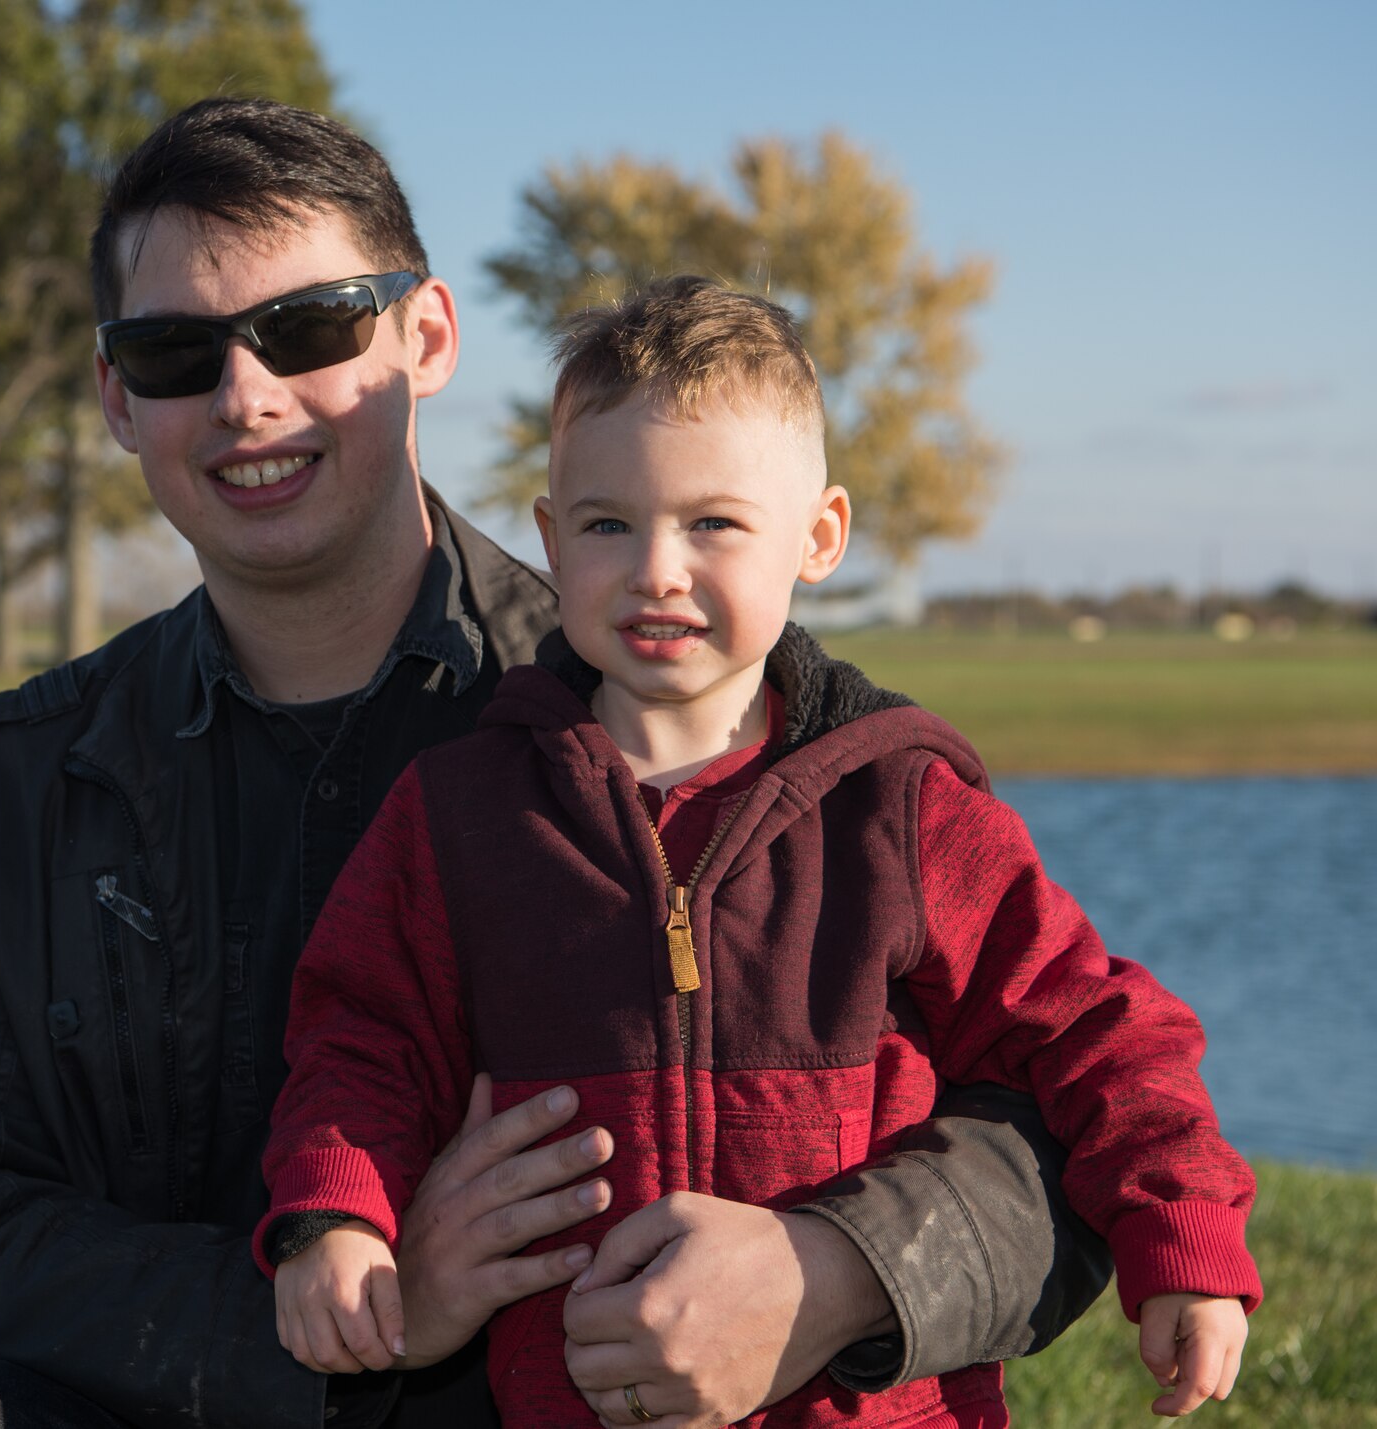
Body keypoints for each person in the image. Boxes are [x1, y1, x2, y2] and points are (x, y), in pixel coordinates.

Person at [0, 99, 1112, 1429]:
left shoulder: (711, 722)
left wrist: (831, 1270)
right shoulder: (9, 787)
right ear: (115, 398)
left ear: (424, 336)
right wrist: (351, 1315)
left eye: (311, 328)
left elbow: (1067, 1108)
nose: (244, 396)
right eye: (172, 352)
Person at [259, 278, 1261, 1427]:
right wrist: (335, 1215)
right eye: (606, 525)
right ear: (547, 536)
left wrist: (1178, 1231)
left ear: (817, 536)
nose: (655, 570)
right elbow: (359, 1034)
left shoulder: (898, 802)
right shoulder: (462, 808)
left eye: (712, 523)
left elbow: (1089, 1025)